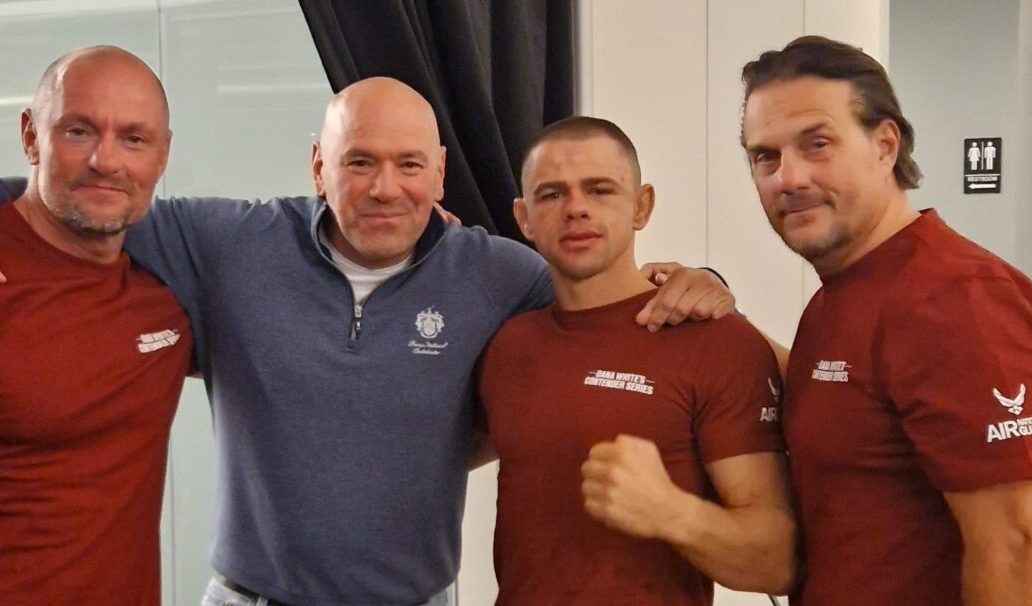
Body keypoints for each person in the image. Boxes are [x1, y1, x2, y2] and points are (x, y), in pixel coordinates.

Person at [1, 71, 736, 604]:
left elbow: (603, 307)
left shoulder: (502, 276)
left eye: (409, 164)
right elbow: (67, 197)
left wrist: (699, 280)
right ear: (318, 167)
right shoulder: (225, 244)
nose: (386, 187)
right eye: (359, 161)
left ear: (439, 173)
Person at [739, 35, 1032, 606]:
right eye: (765, 156)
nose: (788, 178)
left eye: (817, 144)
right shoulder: (846, 292)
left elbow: (1017, 546)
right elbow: (857, 402)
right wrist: (723, 318)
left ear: (885, 145)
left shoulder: (954, 299)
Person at [475, 116, 797, 605]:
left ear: (641, 206)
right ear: (524, 218)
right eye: (552, 194)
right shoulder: (509, 346)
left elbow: (778, 563)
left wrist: (669, 511)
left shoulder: (717, 343)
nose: (576, 208)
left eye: (600, 189)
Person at [0, 47, 192, 604]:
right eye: (79, 131)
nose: (106, 160)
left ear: (162, 155)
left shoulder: (168, 299)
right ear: (31, 137)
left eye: (133, 138)